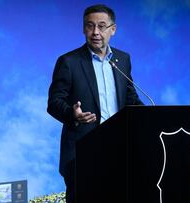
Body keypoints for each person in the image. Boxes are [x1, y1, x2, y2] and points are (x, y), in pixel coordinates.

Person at [47, 4, 143, 203]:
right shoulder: (68, 62)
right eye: (90, 26)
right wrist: (72, 114)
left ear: (113, 29)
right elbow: (54, 102)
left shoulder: (122, 60)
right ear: (83, 29)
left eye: (101, 26)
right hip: (82, 153)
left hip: (118, 150)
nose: (95, 32)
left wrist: (153, 117)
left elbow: (130, 98)